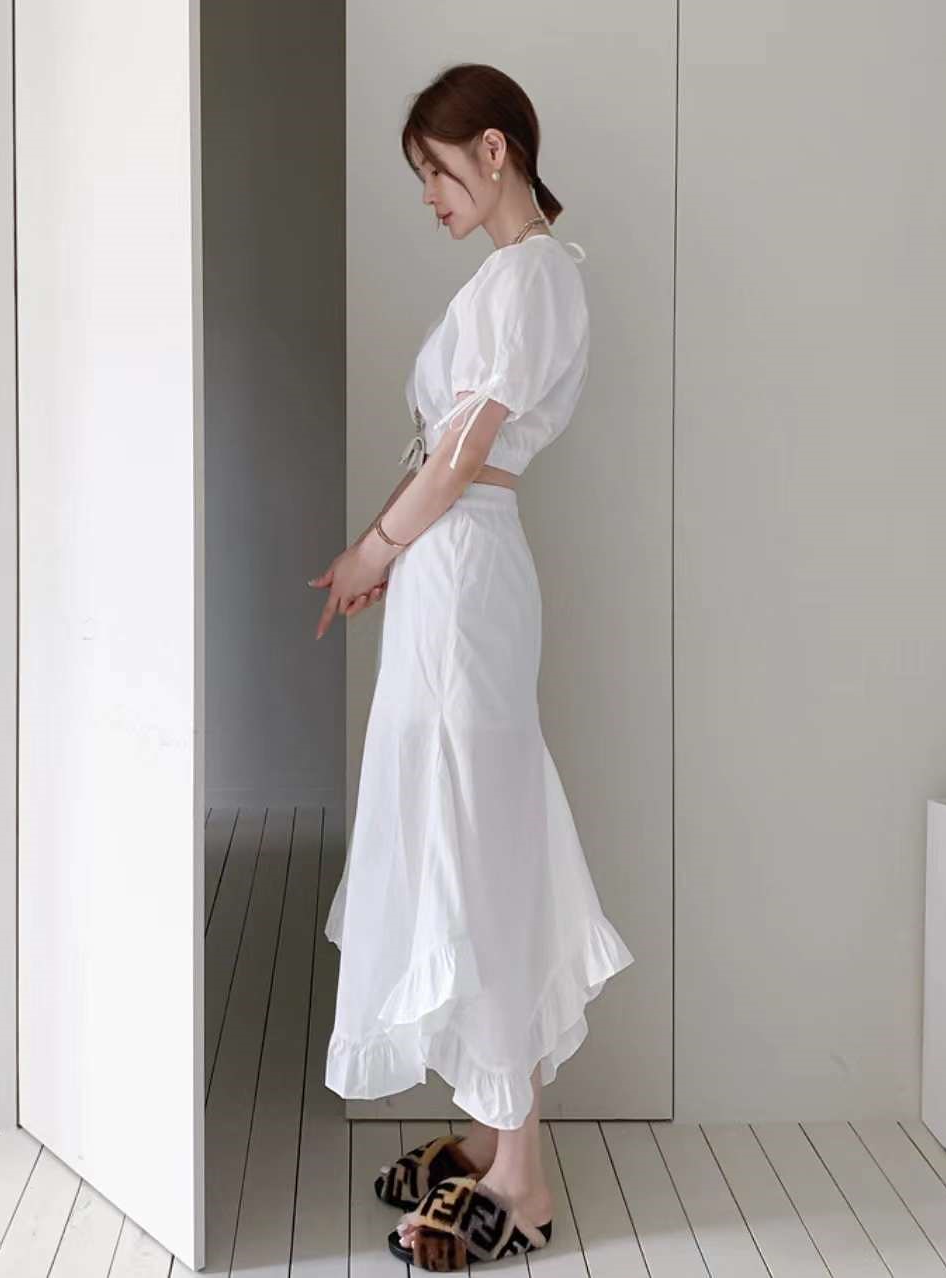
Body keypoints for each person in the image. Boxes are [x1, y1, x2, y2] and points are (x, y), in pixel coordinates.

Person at [307, 63, 635, 1271]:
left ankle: (521, 1178)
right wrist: (387, 552)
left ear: (493, 150)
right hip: (452, 574)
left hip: (464, 577)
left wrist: (372, 549)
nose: (430, 196)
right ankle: (496, 1135)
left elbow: (459, 460)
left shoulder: (532, 276)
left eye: (436, 171)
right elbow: (442, 455)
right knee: (464, 834)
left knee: (476, 845)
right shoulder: (514, 280)